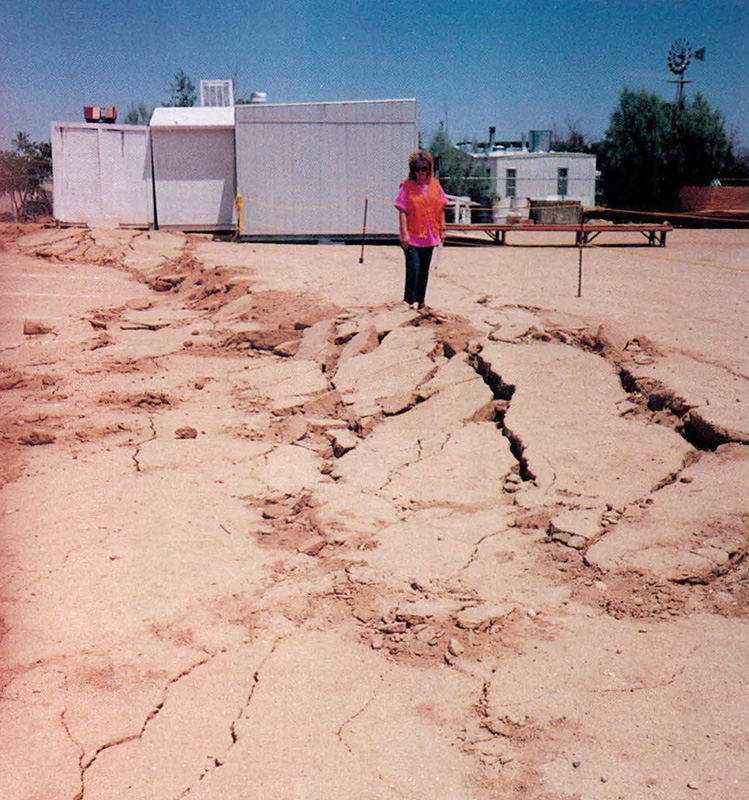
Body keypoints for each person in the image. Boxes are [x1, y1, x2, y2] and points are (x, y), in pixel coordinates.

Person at [394, 151, 447, 309]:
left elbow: (441, 207)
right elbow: (402, 210)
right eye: (417, 169)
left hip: (430, 235)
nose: (421, 172)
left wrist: (443, 229)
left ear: (429, 168)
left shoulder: (435, 184)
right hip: (412, 235)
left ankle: (421, 301)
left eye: (424, 169)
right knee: (414, 268)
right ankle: (409, 301)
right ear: (412, 170)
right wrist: (404, 234)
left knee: (424, 270)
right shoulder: (406, 187)